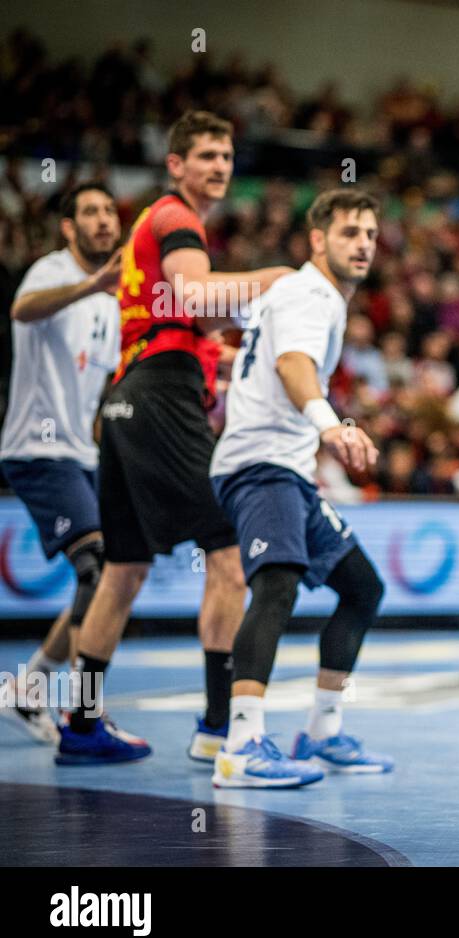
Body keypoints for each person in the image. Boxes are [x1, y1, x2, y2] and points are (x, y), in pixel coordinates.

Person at [59, 110, 292, 765]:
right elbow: (194, 297)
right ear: (176, 165)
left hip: (127, 400)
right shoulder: (174, 218)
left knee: (123, 570)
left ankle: (80, 723)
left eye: (227, 155)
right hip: (158, 399)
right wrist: (276, 281)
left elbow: (176, 316)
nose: (220, 166)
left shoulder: (157, 227)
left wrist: (209, 350)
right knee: (229, 553)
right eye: (207, 155)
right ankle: (220, 728)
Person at [208, 189, 390, 788]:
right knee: (277, 587)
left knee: (362, 588)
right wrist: (331, 426)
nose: (363, 242)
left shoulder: (305, 296)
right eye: (348, 233)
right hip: (262, 466)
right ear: (318, 240)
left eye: (369, 232)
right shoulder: (311, 293)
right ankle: (240, 746)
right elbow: (292, 366)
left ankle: (323, 732)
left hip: (286, 470)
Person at [0, 183, 120, 744]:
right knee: (95, 566)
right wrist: (90, 283)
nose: (103, 221)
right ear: (68, 227)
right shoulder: (51, 272)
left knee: (109, 575)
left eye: (108, 212)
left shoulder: (114, 301)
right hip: (37, 448)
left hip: (82, 452)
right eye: (89, 212)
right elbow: (22, 310)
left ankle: (28, 689)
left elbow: (97, 389)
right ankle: (85, 712)